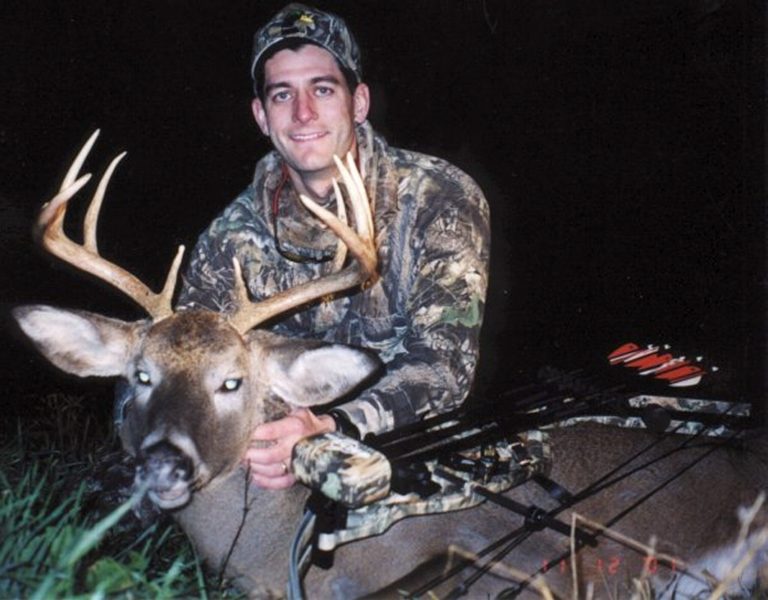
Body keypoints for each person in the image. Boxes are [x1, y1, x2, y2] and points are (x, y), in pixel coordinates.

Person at [177, 3, 490, 490]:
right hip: (267, 455)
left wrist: (332, 426)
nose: (303, 113)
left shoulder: (437, 198)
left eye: (322, 89)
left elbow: (443, 366)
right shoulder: (229, 239)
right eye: (283, 95)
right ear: (261, 115)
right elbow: (188, 366)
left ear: (358, 103)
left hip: (401, 441)